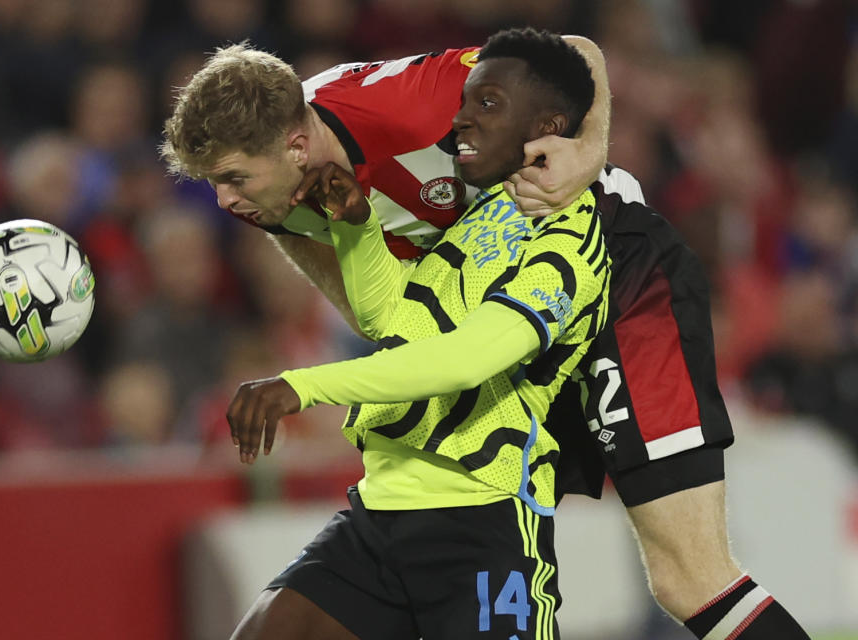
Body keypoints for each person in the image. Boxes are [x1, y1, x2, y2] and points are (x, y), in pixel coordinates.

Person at [162, 32, 809, 640]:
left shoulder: (411, 106)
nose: (224, 204)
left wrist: (586, 153)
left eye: (234, 179)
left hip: (620, 291)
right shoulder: (280, 197)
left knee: (688, 577)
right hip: (484, 300)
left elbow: (572, 56)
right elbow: (392, 324)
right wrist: (357, 229)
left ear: (296, 145)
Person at [225, 28, 608, 639]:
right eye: (466, 103)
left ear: (549, 127)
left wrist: (305, 387)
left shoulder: (574, 240)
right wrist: (357, 228)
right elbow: (395, 321)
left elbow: (464, 359)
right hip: (384, 507)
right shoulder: (479, 214)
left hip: (483, 514)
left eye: (488, 105)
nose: (460, 121)